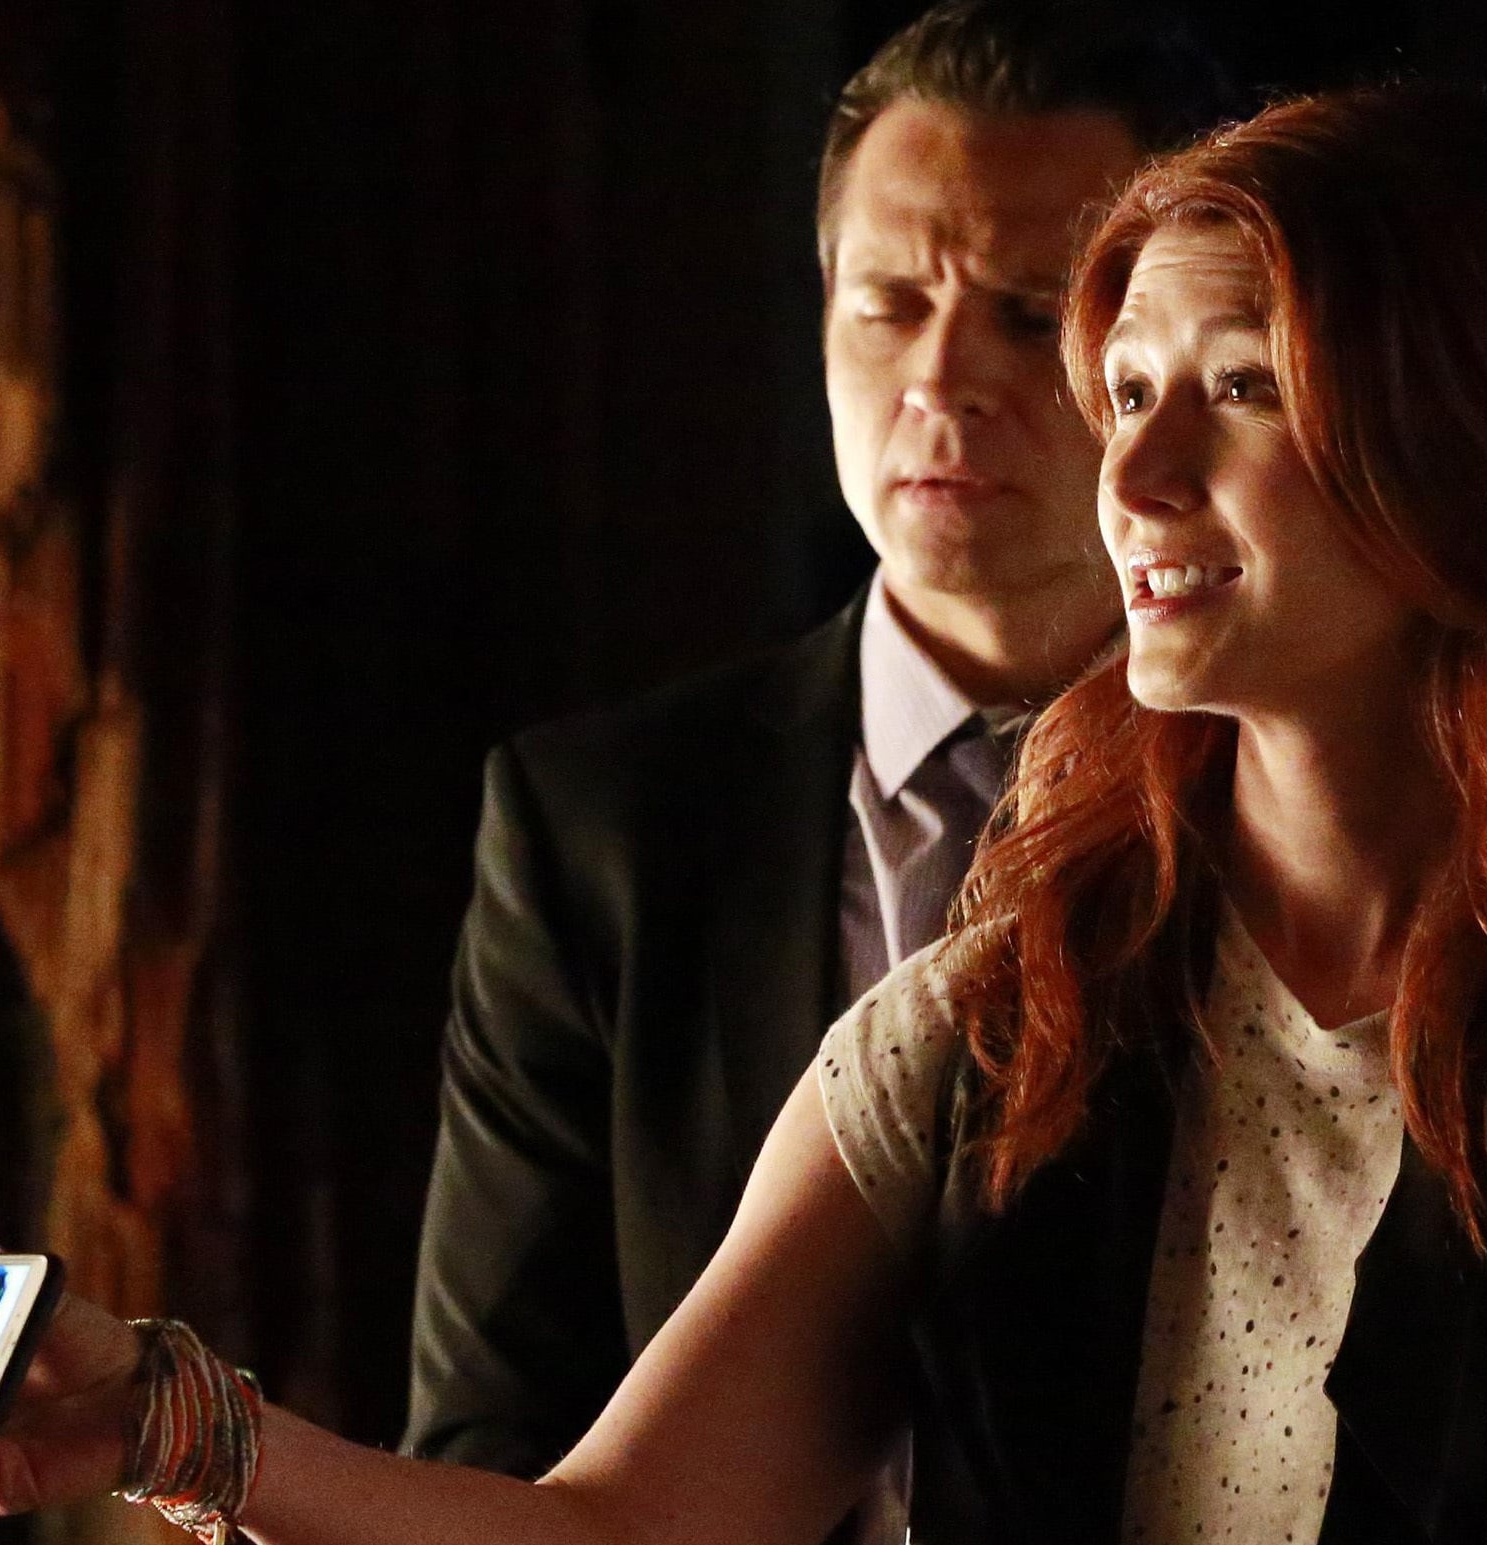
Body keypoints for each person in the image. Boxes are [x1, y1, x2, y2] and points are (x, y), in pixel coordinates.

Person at [0, 86, 1487, 1545]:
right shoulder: (998, 1020)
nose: (1134, 477)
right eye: (1126, 393)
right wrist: (158, 1421)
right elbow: (616, 1533)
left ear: (1471, 458)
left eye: (1237, 394)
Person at [400, 0, 1235, 1511]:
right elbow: (491, 1432)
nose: (941, 378)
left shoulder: (1296, 785)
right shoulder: (609, 828)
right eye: (887, 303)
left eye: (1027, 314)